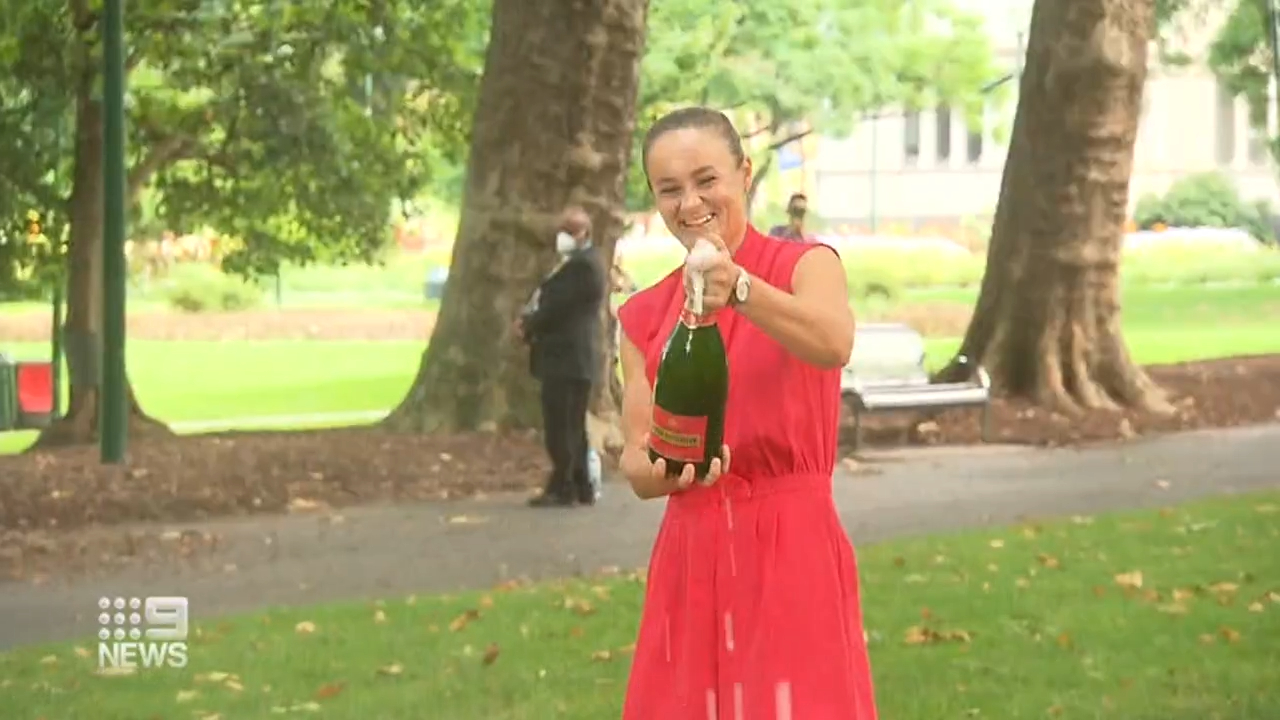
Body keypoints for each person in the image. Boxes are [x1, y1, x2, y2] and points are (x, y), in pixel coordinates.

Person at [616, 107, 878, 718]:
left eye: (706, 180)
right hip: (692, 549)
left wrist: (738, 288)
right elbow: (637, 463)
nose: (690, 202)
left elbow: (833, 342)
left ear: (744, 174)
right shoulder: (643, 316)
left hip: (795, 543)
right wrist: (677, 470)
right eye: (669, 189)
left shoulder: (805, 266)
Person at [516, 207, 606, 508]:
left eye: (568, 230)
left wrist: (529, 324)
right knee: (573, 424)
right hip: (571, 358)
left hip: (567, 358)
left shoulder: (582, 267)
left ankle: (563, 485)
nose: (562, 236)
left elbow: (558, 308)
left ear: (583, 233)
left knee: (561, 425)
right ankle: (581, 484)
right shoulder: (578, 263)